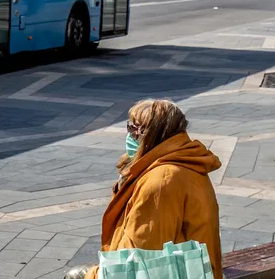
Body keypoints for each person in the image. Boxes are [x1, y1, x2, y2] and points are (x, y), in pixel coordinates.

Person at [67, 99, 223, 279]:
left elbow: (142, 256)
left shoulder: (161, 181)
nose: (129, 136)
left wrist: (93, 276)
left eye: (134, 130)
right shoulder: (180, 161)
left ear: (152, 136)